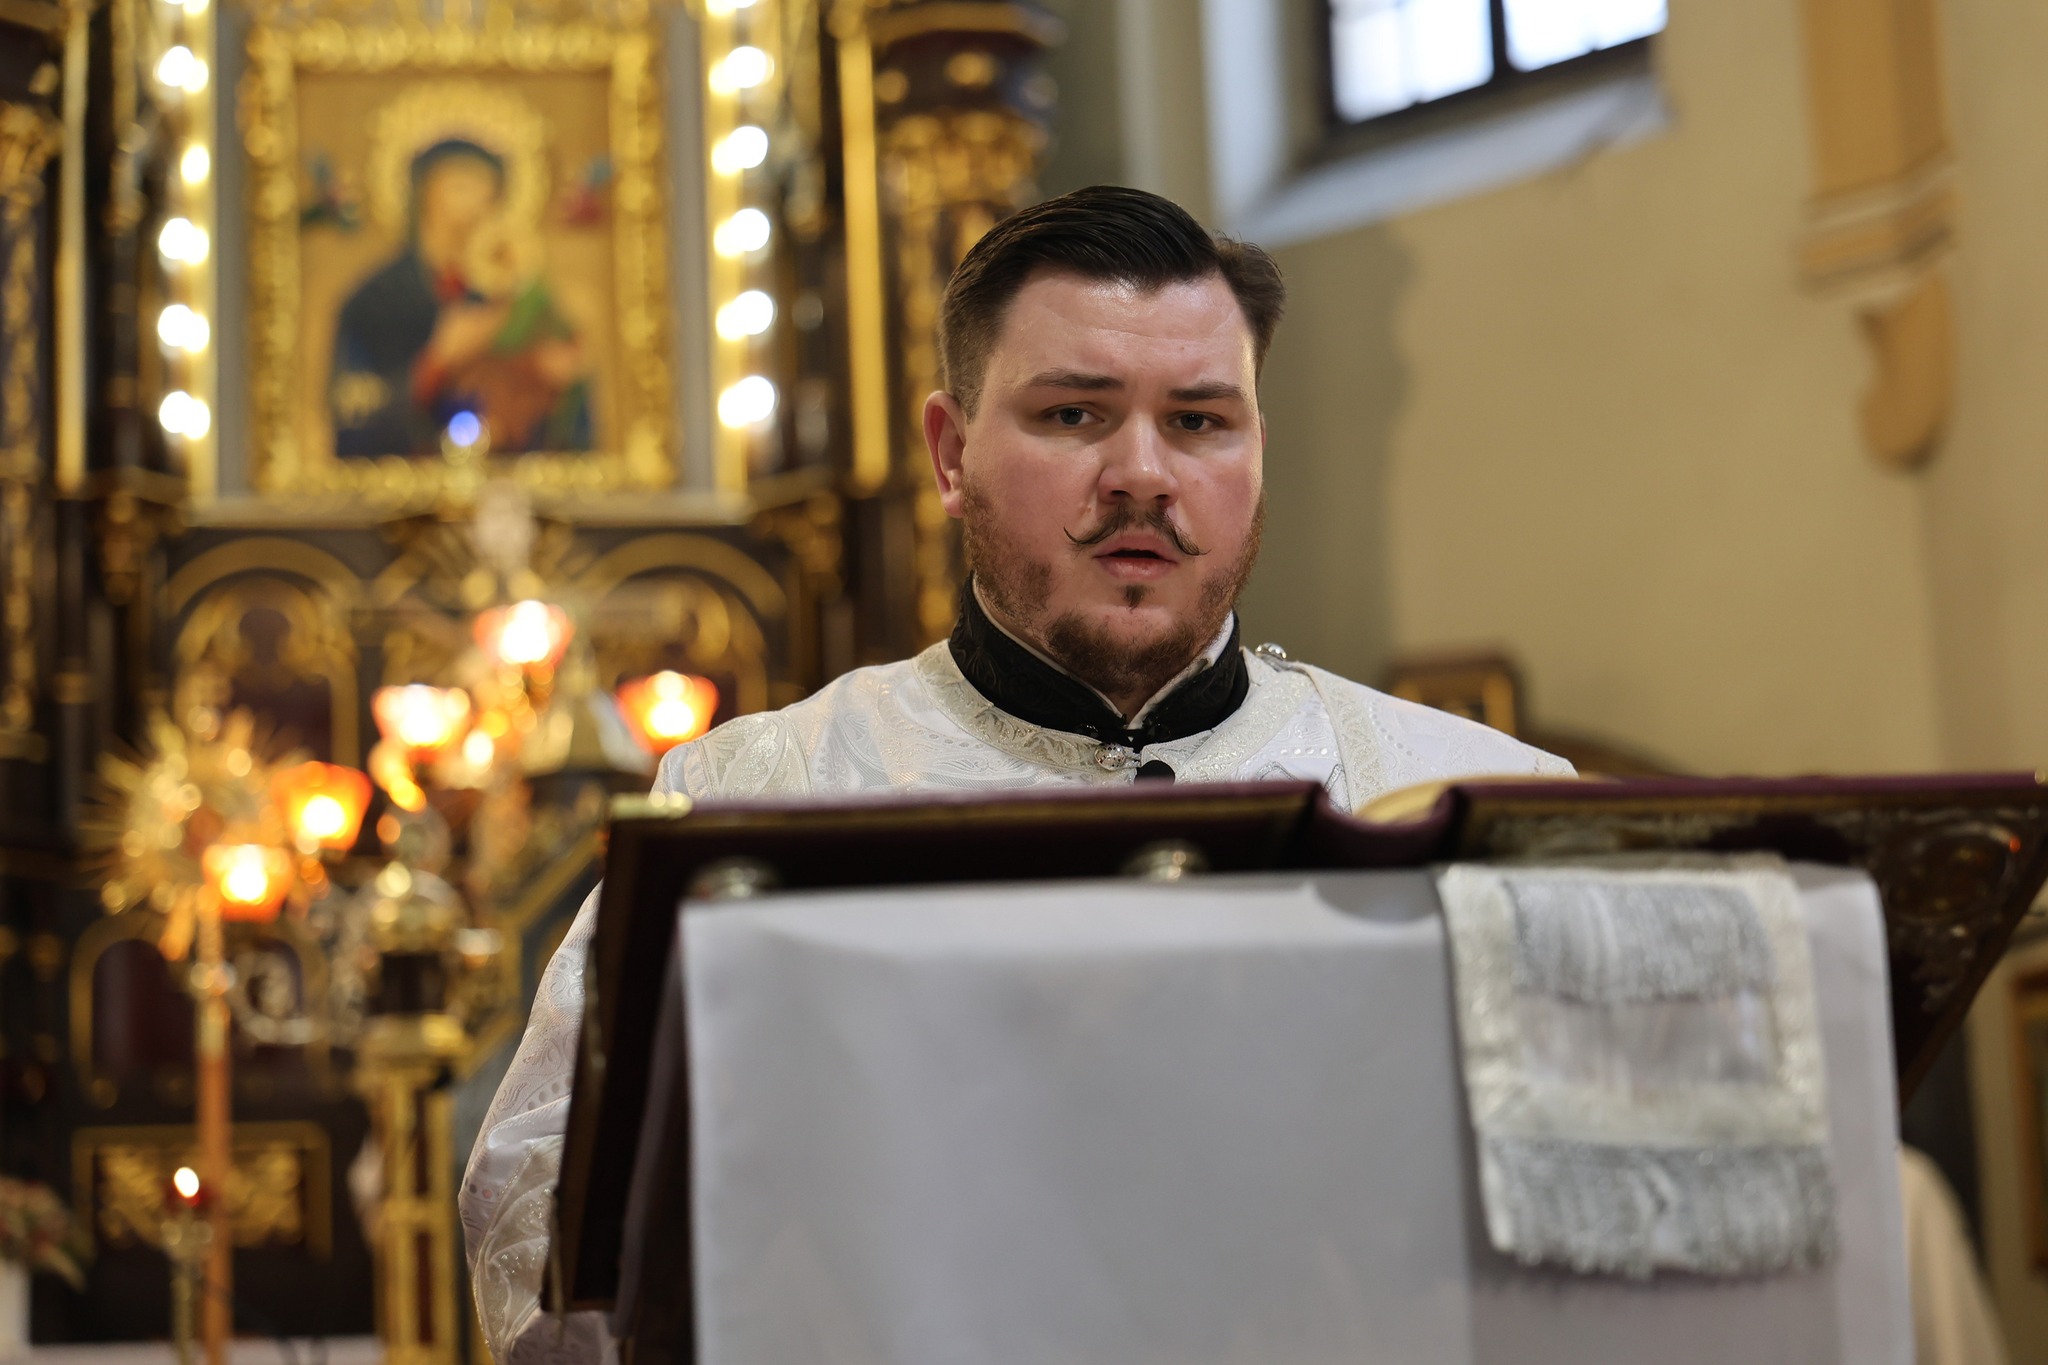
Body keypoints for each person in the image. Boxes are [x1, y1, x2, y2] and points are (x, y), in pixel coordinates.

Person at [459, 184, 1572, 1364]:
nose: (1140, 474)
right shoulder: (756, 793)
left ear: (1257, 450)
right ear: (951, 455)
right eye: (1073, 415)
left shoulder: (1473, 800)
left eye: (1199, 420)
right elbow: (542, 1201)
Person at [330, 138, 591, 458]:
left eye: (489, 194)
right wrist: (437, 362)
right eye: (461, 188)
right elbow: (351, 422)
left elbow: (574, 430)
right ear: (423, 195)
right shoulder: (375, 301)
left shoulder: (515, 296)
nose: (476, 207)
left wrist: (548, 378)